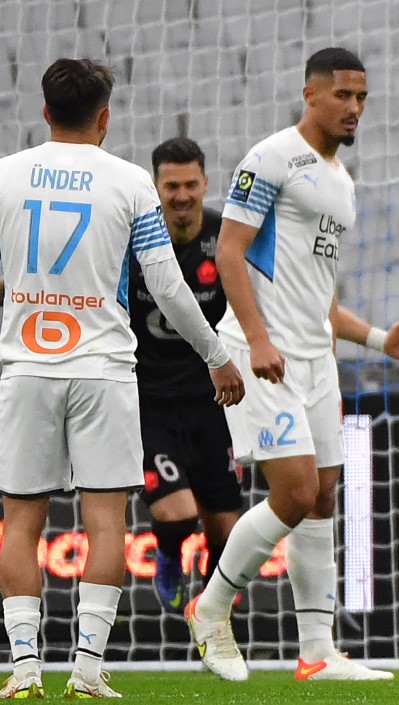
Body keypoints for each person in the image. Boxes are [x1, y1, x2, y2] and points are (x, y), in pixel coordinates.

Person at [184, 47, 399, 683]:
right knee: (295, 491)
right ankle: (211, 607)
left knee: (323, 497)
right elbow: (232, 250)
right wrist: (258, 338)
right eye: (343, 96)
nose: (354, 108)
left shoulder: (342, 183)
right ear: (311, 93)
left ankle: (317, 653)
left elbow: (318, 295)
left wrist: (384, 341)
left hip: (313, 358)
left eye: (362, 98)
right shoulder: (272, 158)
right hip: (261, 354)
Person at [0, 59, 244, 699]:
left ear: (45, 111)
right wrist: (216, 353)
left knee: (21, 521)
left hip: (25, 366)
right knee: (105, 520)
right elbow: (167, 286)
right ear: (105, 118)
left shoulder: (6, 176)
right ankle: (85, 671)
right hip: (104, 372)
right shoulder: (132, 184)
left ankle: (24, 670)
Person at [129, 137, 244, 613]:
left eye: (190, 184)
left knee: (228, 539)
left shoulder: (226, 239)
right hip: (149, 402)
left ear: (205, 184)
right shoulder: (130, 240)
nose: (181, 195)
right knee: (179, 516)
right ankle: (171, 553)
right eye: (170, 185)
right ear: (155, 187)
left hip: (214, 402)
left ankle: (211, 618)